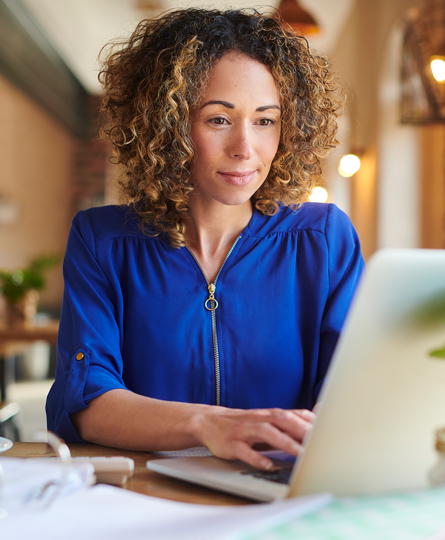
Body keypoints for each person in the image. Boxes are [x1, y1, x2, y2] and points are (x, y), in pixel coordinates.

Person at [46, 8, 364, 471]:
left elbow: (356, 391)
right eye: (218, 119)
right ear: (168, 125)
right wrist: (208, 425)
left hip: (278, 497)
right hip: (146, 500)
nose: (245, 147)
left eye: (265, 121)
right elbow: (87, 400)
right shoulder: (102, 240)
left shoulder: (324, 239)